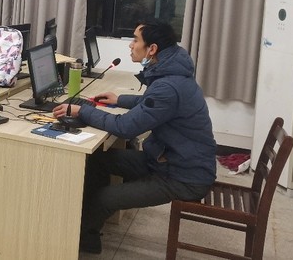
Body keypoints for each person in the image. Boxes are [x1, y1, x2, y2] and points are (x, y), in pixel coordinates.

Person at [52, 20, 216, 254]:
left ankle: (79, 239)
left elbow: (125, 127)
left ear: (152, 49)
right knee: (97, 160)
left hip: (183, 177)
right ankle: (88, 231)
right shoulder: (172, 73)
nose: (131, 45)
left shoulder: (168, 86)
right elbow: (152, 103)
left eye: (136, 40)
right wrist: (119, 100)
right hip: (168, 161)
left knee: (104, 198)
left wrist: (83, 111)